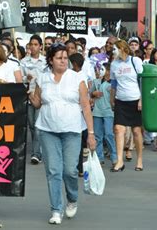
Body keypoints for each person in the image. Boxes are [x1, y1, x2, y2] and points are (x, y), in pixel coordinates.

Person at [28, 43, 96, 225]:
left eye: (65, 58)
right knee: (53, 171)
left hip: (72, 130)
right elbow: (37, 103)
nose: (63, 61)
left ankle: (72, 198)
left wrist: (90, 133)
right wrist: (30, 94)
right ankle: (56, 209)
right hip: (47, 129)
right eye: (59, 58)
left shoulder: (77, 78)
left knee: (70, 171)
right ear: (51, 60)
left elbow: (85, 106)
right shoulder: (42, 78)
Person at [110, 40, 144, 172]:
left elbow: (141, 81)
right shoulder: (114, 64)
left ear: (122, 49)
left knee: (136, 131)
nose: (113, 52)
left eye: (115, 49)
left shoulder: (135, 61)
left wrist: (141, 99)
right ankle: (119, 160)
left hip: (135, 99)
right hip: (120, 100)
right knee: (118, 130)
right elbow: (113, 83)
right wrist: (111, 99)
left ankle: (139, 159)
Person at [20, 35, 46, 165]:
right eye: (31, 44)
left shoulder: (45, 61)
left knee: (37, 125)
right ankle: (38, 147)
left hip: (41, 95)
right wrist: (26, 78)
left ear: (41, 46)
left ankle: (37, 153)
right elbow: (20, 77)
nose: (33, 47)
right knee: (31, 124)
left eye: (36, 44)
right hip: (29, 94)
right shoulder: (24, 62)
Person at [90, 62, 117, 165]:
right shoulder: (96, 82)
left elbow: (117, 95)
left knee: (109, 134)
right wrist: (93, 93)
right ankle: (99, 157)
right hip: (97, 112)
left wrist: (113, 92)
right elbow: (90, 94)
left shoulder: (113, 83)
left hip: (109, 112)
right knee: (98, 135)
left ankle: (114, 155)